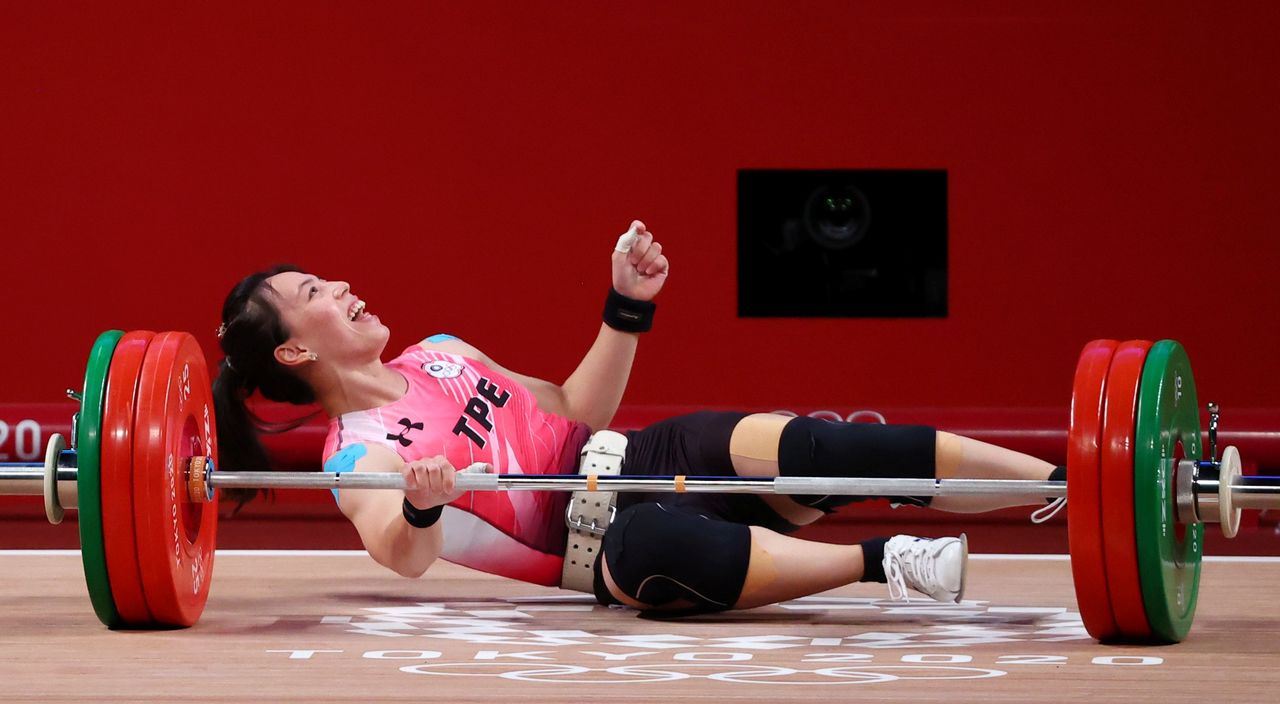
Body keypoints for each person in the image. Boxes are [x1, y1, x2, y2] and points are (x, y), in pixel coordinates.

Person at [212, 221, 1062, 616]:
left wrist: (625, 307)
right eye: (314, 294)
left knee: (820, 444)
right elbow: (400, 555)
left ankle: (1068, 487)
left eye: (326, 277)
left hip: (644, 453)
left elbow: (577, 411)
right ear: (292, 353)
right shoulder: (355, 454)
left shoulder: (444, 350)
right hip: (608, 545)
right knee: (646, 547)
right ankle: (886, 564)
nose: (343, 287)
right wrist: (424, 506)